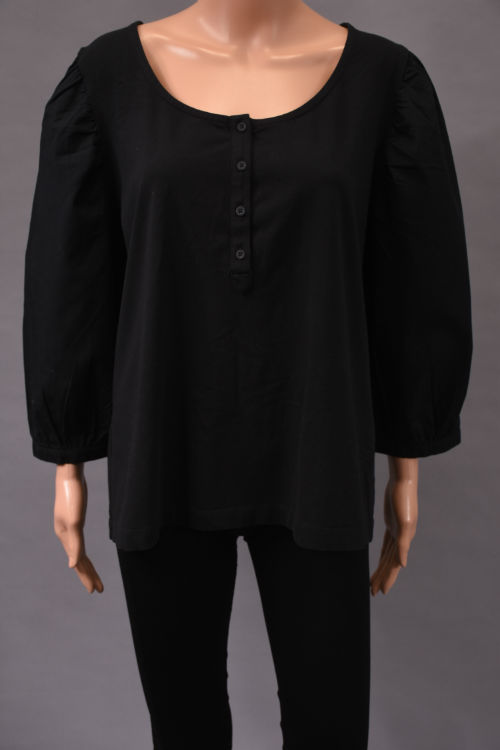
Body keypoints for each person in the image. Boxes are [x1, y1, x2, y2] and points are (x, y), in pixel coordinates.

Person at [22, 3, 473, 748]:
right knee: (184, 728)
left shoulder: (382, 83)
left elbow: (416, 281)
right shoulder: (106, 81)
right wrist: (67, 458)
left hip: (317, 449)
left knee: (330, 729)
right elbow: (68, 277)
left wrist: (406, 461)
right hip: (163, 448)